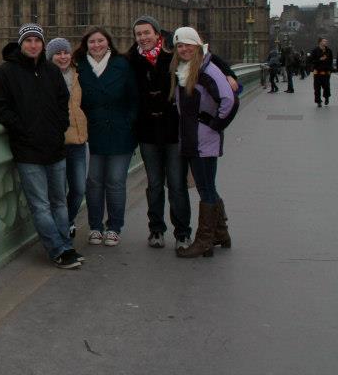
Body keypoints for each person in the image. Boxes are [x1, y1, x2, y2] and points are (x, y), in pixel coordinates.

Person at [0, 23, 82, 269]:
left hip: (54, 148)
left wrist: (59, 126)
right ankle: (57, 250)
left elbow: (63, 102)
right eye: (28, 40)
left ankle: (67, 247)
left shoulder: (51, 70)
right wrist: (23, 128)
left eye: (37, 40)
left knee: (59, 202)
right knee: (40, 205)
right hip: (27, 150)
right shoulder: (6, 72)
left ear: (42, 44)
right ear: (21, 44)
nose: (33, 45)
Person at [170, 27, 238, 259]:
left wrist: (214, 124)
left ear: (198, 45)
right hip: (192, 138)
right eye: (180, 45)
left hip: (202, 140)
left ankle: (204, 241)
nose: (184, 48)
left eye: (188, 44)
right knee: (207, 186)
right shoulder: (185, 68)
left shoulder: (207, 69)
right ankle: (220, 233)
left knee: (205, 188)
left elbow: (229, 100)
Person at [126, 16, 191, 250]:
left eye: (146, 33)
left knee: (176, 184)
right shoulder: (130, 60)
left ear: (157, 34)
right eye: (138, 34)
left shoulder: (172, 56)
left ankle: (183, 233)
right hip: (147, 134)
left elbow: (202, 58)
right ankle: (156, 230)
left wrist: (228, 74)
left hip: (173, 132)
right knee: (154, 184)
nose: (143, 37)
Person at [74, 26, 138, 247]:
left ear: (108, 43)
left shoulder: (123, 65)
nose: (97, 45)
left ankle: (114, 227)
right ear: (86, 45)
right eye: (92, 42)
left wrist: (129, 122)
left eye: (100, 41)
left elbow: (134, 98)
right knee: (93, 183)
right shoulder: (78, 67)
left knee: (115, 182)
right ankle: (95, 227)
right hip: (91, 134)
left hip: (120, 133)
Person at [46, 37, 88, 239]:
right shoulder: (43, 77)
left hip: (78, 141)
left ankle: (68, 220)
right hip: (55, 143)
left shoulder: (80, 75)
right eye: (58, 53)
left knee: (79, 189)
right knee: (58, 193)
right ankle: (61, 229)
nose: (62, 57)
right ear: (50, 57)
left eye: (65, 52)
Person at [310, 37, 334, 107]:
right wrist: (320, 59)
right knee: (317, 88)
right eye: (324, 41)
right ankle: (318, 101)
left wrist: (330, 69)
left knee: (326, 87)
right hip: (317, 72)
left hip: (326, 72)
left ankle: (326, 98)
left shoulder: (329, 50)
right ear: (320, 42)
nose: (326, 42)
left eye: (326, 41)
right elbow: (311, 61)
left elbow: (331, 61)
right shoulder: (315, 50)